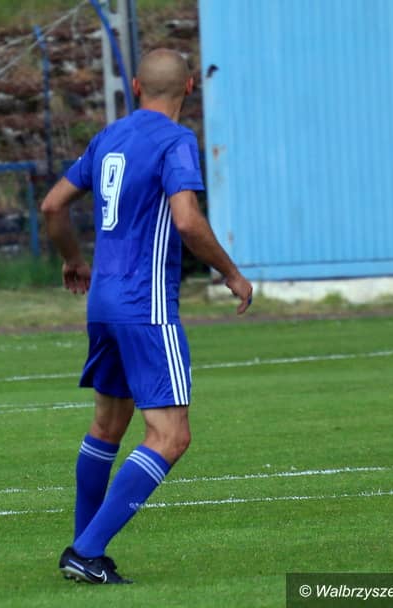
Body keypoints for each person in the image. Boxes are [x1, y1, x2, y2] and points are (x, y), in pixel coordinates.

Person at [40, 49, 253, 584]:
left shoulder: (108, 137)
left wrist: (73, 259)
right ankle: (87, 551)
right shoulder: (175, 141)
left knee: (107, 426)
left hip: (103, 302)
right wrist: (230, 272)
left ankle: (84, 553)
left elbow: (52, 206)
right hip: (146, 304)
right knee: (170, 436)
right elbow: (186, 221)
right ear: (189, 88)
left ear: (135, 86)